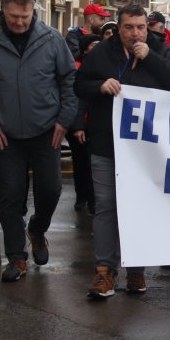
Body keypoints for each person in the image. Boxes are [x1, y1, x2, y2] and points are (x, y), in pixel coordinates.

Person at [0, 0, 77, 283]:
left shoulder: (51, 39)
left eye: (25, 17)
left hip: (46, 132)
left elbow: (68, 80)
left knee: (51, 190)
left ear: (33, 11)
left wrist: (64, 119)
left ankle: (37, 230)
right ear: (4, 10)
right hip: (5, 135)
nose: (20, 23)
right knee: (10, 197)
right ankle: (16, 257)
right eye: (14, 16)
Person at [76, 4, 170, 300]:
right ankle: (104, 271)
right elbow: (79, 85)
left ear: (147, 27)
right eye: (128, 27)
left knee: (137, 207)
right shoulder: (101, 53)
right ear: (119, 27)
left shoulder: (161, 51)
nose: (135, 33)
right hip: (105, 144)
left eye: (140, 27)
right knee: (105, 206)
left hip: (145, 150)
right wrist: (100, 85)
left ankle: (136, 269)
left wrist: (151, 59)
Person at [69, 34, 102, 213]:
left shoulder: (103, 65)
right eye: (93, 45)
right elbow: (78, 98)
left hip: (97, 126)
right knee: (81, 165)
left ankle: (92, 201)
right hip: (81, 125)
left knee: (94, 168)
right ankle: (82, 197)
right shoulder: (78, 69)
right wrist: (78, 125)